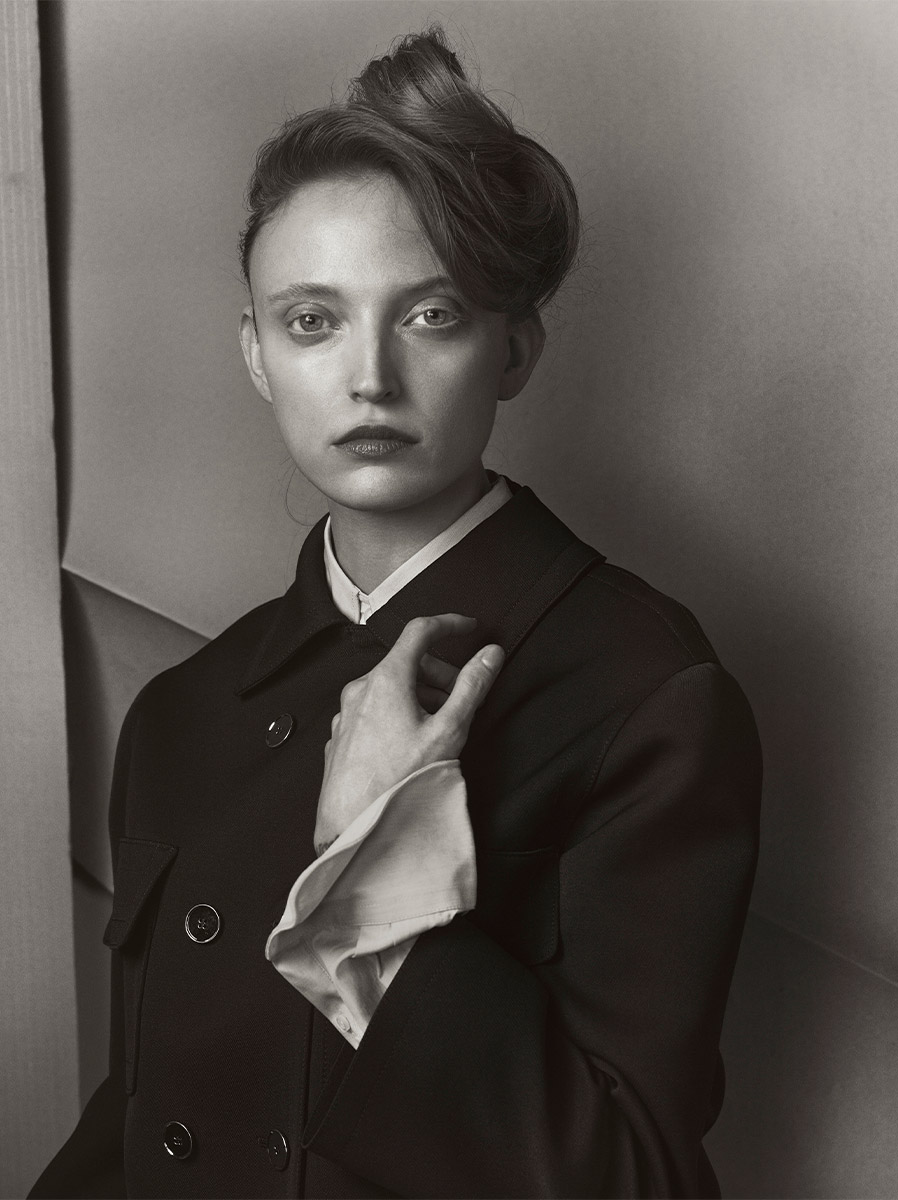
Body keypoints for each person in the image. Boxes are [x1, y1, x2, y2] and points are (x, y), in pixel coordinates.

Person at [31, 26, 761, 1200]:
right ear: (256, 355)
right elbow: (139, 1120)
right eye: (311, 321)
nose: (368, 378)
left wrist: (371, 864)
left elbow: (629, 1176)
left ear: (513, 347)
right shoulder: (184, 713)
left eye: (428, 315)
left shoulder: (642, 690)